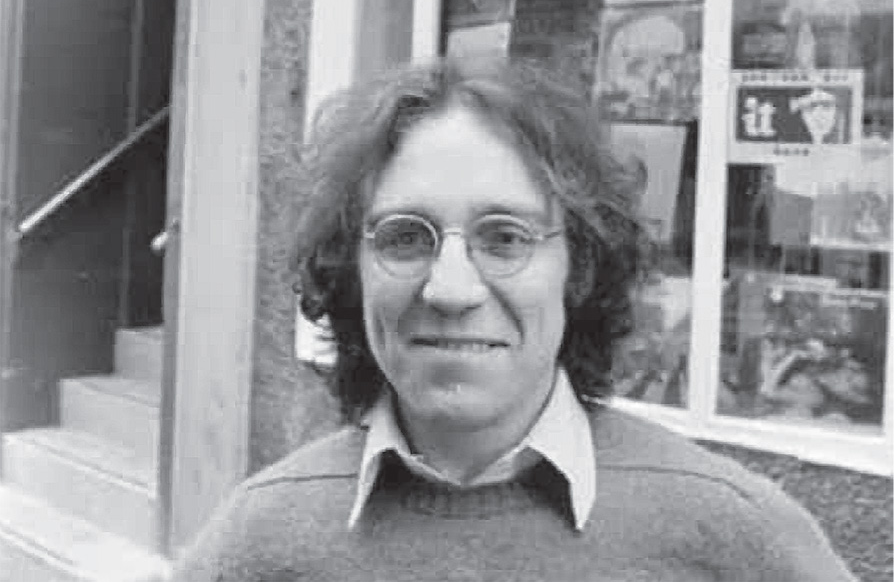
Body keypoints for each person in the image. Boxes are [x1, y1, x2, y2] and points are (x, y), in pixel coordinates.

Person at [173, 56, 857, 581]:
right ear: (350, 268)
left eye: (505, 238)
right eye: (406, 238)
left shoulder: (730, 536)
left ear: (580, 268)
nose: (450, 288)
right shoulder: (258, 544)